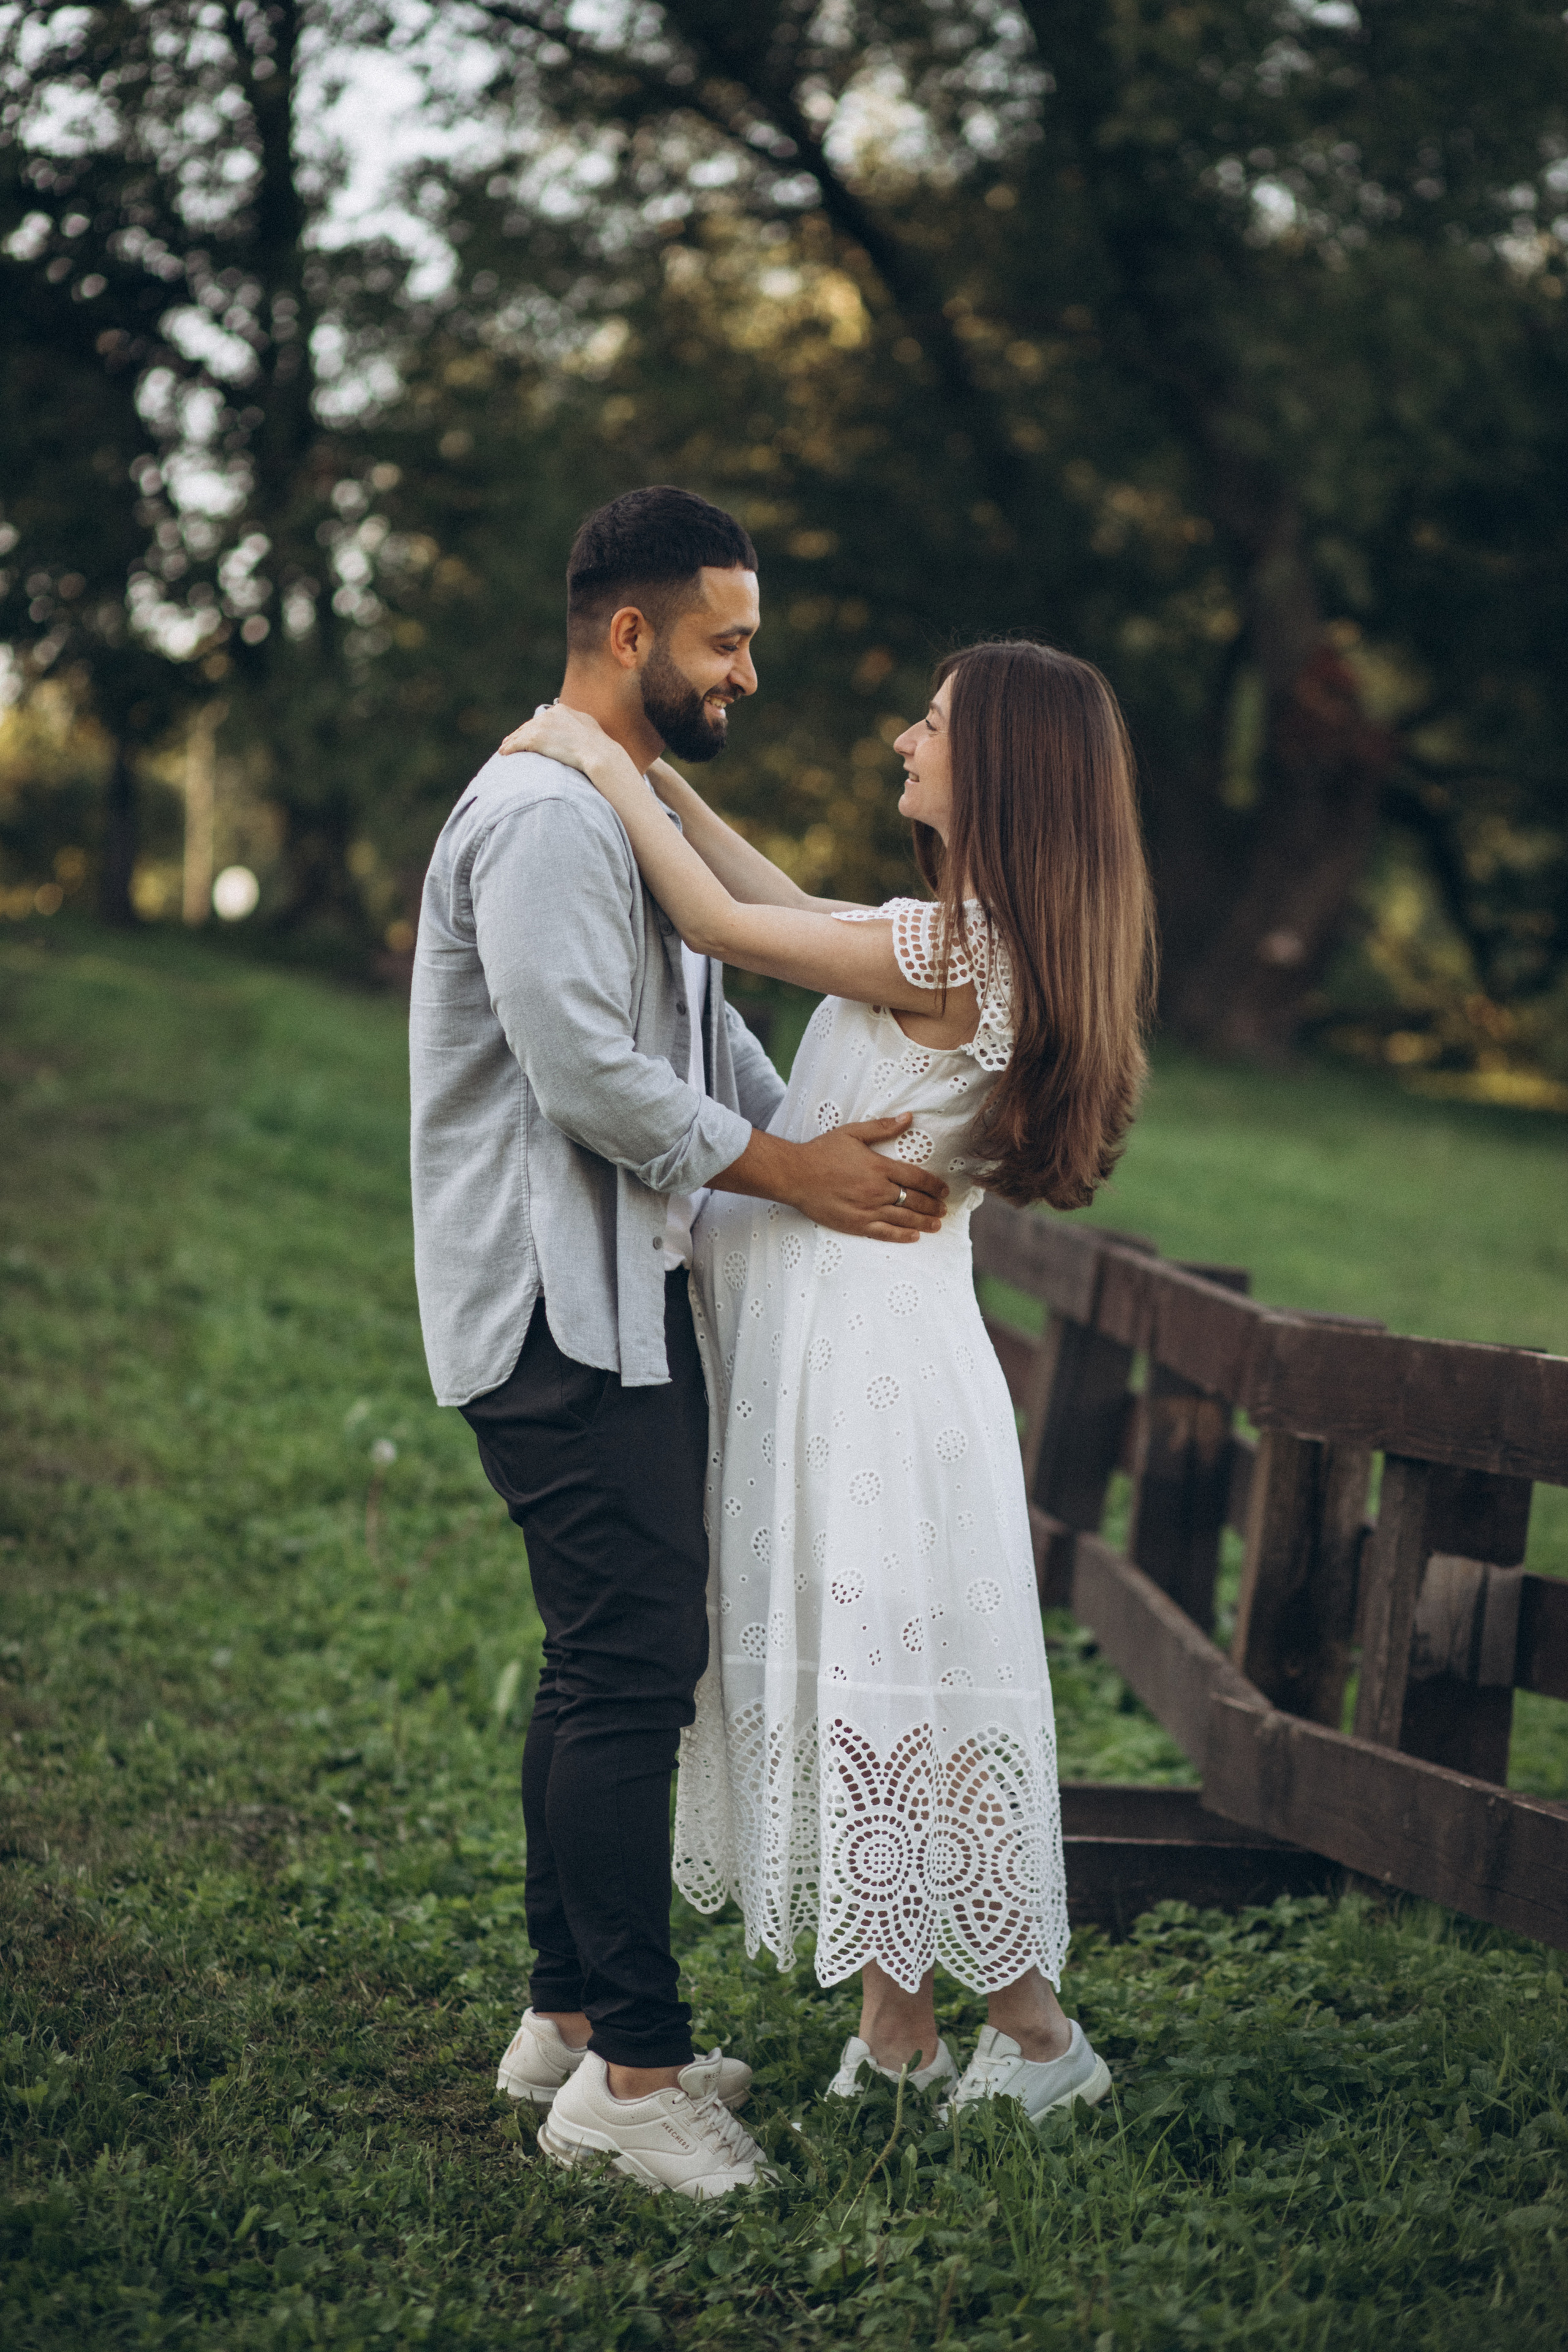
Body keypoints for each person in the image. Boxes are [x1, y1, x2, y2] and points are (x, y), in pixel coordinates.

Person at [502, 637, 1156, 2127]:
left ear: (998, 768)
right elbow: (789, 911)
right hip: (869, 1354)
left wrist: (599, 761)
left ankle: (1038, 2041)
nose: (898, 740)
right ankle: (903, 2033)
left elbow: (726, 924)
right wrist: (657, 769)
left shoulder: (957, 954)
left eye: (926, 724)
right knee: (881, 1684)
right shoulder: (968, 938)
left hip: (868, 1373)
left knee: (888, 1687)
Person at [408, 486, 949, 2202]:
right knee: (629, 1670)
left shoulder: (607, 803)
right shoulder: (551, 821)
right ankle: (637, 2078)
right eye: (730, 639)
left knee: (605, 1660)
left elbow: (705, 1037)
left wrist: (815, 1155)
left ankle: (569, 2022)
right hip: (556, 1313)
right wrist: (795, 1171)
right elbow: (587, 1076)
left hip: (621, 1306)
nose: (750, 672)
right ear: (632, 633)